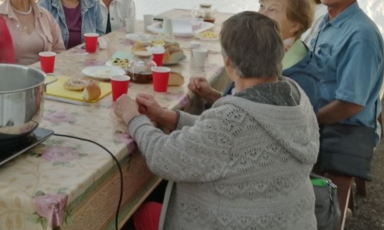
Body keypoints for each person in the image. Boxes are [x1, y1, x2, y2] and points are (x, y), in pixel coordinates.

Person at [115, 12, 319, 230]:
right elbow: (233, 136)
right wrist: (168, 117)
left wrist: (133, 117)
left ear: (228, 63)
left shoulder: (231, 123)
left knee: (132, 212)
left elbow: (164, 157)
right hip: (293, 220)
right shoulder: (296, 95)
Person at [191, 0, 322, 111]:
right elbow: (245, 109)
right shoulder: (271, 54)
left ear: (294, 26)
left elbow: (247, 121)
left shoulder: (297, 78)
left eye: (273, 10)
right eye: (262, 7)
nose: (260, 14)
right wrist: (211, 94)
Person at [308, 0, 384, 132]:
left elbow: (350, 104)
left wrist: (307, 121)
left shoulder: (361, 34)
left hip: (345, 131)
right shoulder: (324, 21)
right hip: (322, 122)